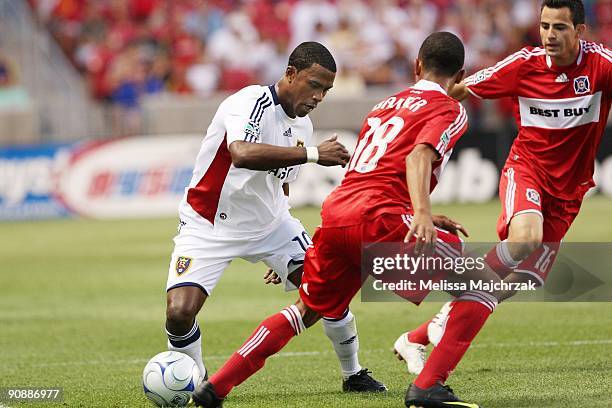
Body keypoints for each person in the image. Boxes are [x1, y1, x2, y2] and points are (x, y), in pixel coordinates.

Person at [191, 32, 498, 408]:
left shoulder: (386, 104)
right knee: (483, 285)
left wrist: (422, 212)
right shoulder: (450, 109)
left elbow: (373, 171)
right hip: (380, 218)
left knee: (306, 311)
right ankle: (428, 386)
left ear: (417, 66)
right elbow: (417, 157)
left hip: (339, 214)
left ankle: (215, 387)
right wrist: (419, 213)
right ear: (461, 73)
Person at [395, 0, 611, 382]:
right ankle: (442, 326)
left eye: (559, 27)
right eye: (544, 26)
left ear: (580, 31)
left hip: (571, 189)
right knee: (527, 237)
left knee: (525, 279)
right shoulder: (522, 65)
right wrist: (412, 122)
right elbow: (457, 89)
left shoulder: (601, 66)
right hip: (527, 170)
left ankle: (417, 336)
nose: (549, 35)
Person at [164, 41, 386, 393]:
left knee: (328, 289)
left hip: (272, 226)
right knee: (179, 313)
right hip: (207, 224)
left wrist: (279, 247)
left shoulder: (303, 127)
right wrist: (313, 155)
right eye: (314, 85)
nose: (319, 96)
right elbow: (241, 153)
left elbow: (281, 185)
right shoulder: (250, 102)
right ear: (290, 73)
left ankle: (353, 373)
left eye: (326, 90)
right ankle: (196, 380)